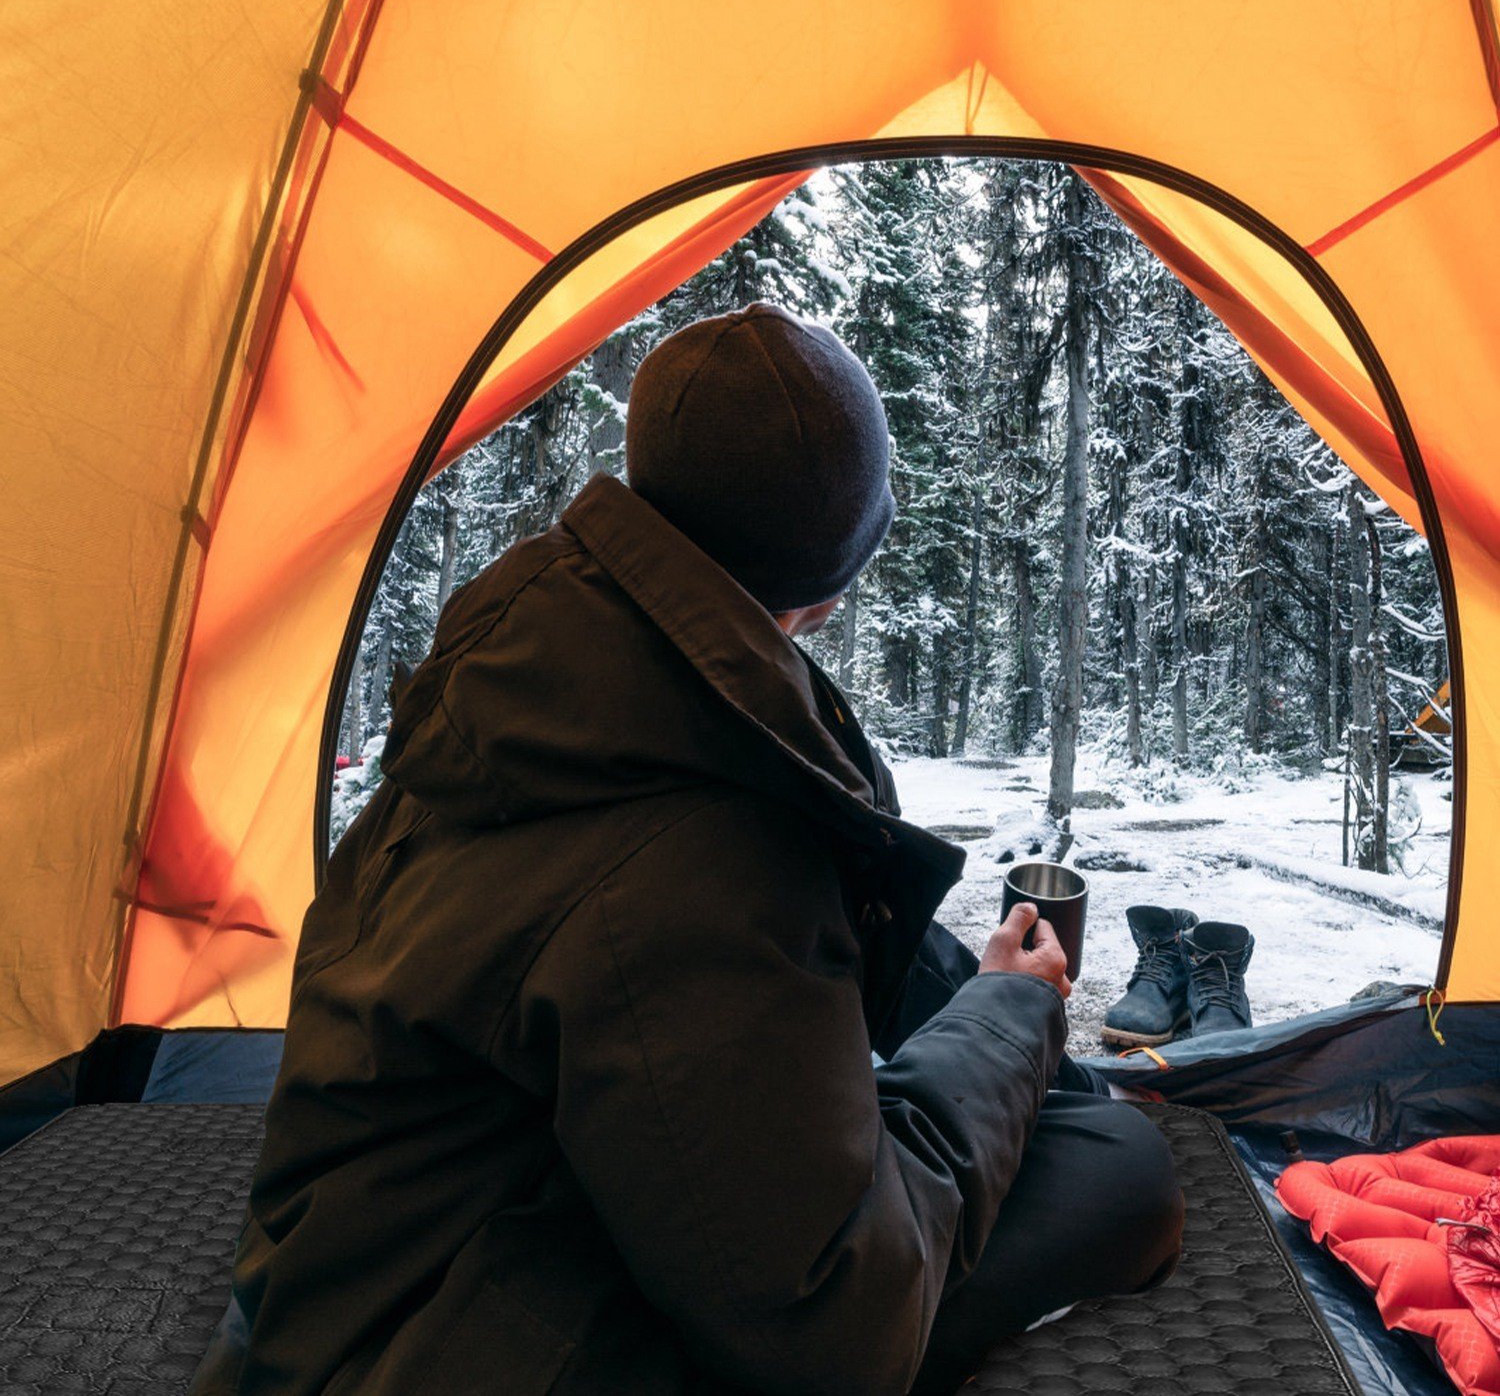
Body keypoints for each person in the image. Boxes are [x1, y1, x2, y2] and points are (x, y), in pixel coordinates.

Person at [189, 302, 1183, 1396]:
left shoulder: (527, 678)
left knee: (977, 1054)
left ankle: (1012, 1047)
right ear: (831, 583)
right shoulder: (711, 844)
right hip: (429, 1353)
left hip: (341, 1276)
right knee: (1119, 1166)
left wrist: (979, 1010)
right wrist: (1012, 1020)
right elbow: (838, 1322)